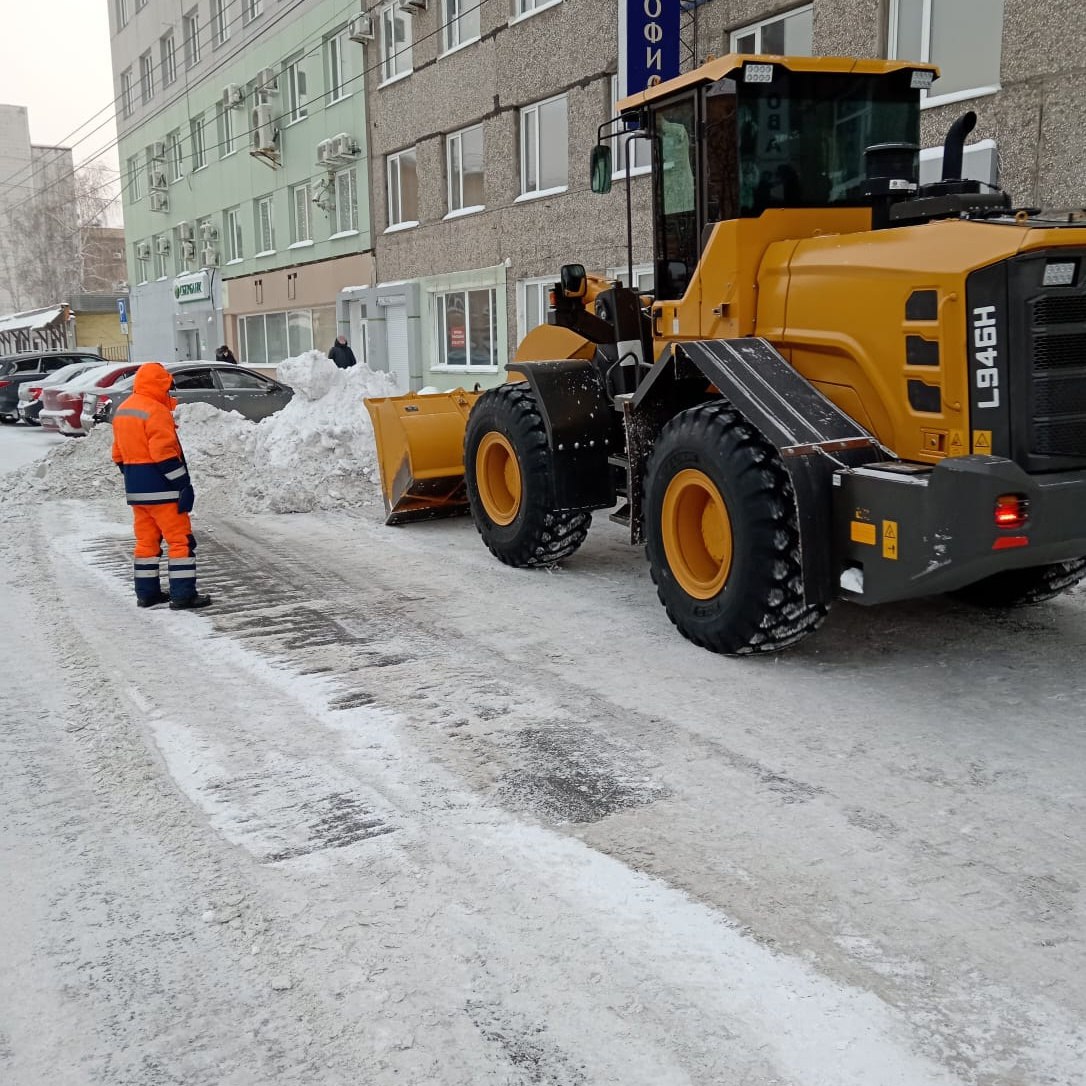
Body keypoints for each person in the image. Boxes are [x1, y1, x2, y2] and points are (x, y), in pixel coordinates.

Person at [111, 362, 212, 611]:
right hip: (165, 492)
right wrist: (182, 484)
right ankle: (183, 596)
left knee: (146, 543)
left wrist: (136, 477)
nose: (169, 392)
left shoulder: (123, 410)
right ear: (159, 384)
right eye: (167, 386)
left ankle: (147, 595)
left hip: (137, 493)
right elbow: (163, 454)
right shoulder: (155, 411)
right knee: (180, 542)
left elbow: (117, 455)